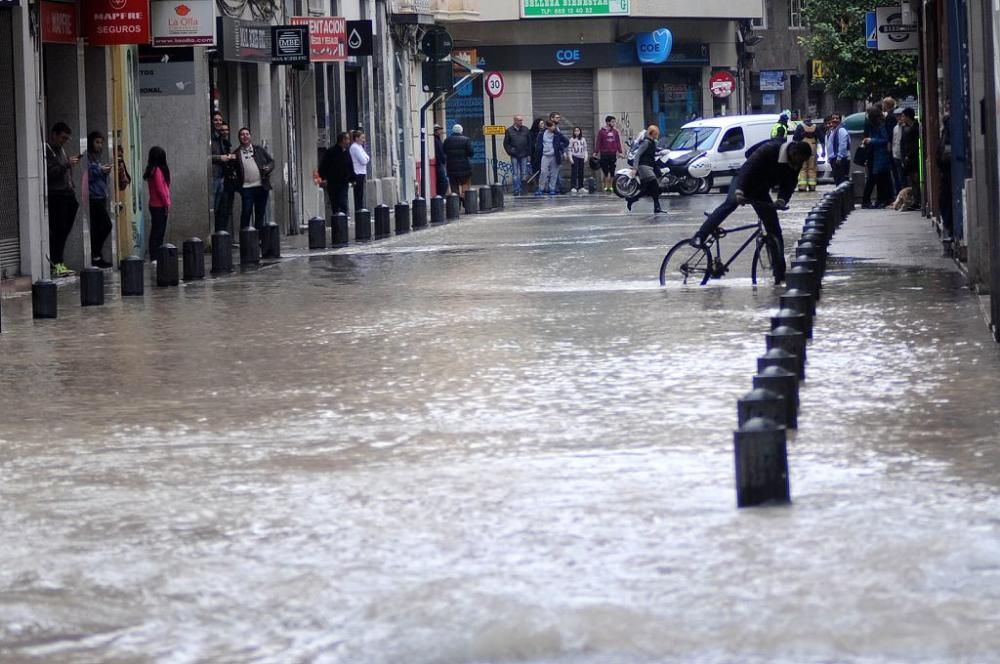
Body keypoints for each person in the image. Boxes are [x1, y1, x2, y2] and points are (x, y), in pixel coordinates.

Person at [692, 140, 813, 284]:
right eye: (800, 159)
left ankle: (780, 273)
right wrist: (739, 191)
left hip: (760, 190)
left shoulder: (796, 162)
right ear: (793, 153)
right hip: (743, 181)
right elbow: (748, 168)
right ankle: (700, 236)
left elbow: (789, 183)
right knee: (730, 204)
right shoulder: (769, 150)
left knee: (774, 228)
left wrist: (782, 200)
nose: (800, 163)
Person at [45, 122, 80, 277]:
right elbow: (50, 173)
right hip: (56, 196)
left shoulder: (62, 150)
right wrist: (66, 164)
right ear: (54, 134)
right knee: (59, 229)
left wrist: (71, 185)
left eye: (67, 138)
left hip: (67, 194)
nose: (64, 141)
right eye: (63, 137)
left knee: (64, 229)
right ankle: (56, 262)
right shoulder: (47, 149)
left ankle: (59, 261)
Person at [231, 127, 275, 228]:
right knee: (246, 212)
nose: (245, 136)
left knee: (260, 214)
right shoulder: (236, 153)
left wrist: (267, 168)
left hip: (261, 187)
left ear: (250, 136)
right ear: (239, 138)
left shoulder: (258, 149)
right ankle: (245, 238)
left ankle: (258, 238)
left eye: (247, 134)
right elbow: (232, 169)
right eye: (242, 134)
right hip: (246, 188)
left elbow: (271, 162)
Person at [85, 131, 114, 268]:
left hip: (100, 196)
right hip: (93, 198)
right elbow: (88, 174)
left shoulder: (96, 158)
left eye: (101, 142)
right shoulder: (87, 158)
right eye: (97, 142)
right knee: (106, 225)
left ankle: (97, 255)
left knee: (99, 228)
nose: (99, 145)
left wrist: (104, 172)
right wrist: (100, 170)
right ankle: (95, 254)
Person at [625, 125, 663, 213]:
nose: (657, 135)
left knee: (648, 189)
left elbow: (651, 153)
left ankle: (632, 199)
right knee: (655, 186)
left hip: (649, 166)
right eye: (656, 134)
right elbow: (637, 155)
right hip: (644, 167)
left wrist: (660, 152)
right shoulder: (646, 142)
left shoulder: (653, 142)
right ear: (652, 134)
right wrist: (635, 168)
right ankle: (656, 207)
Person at [142, 146, 171, 262]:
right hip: (159, 205)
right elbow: (160, 189)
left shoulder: (151, 170)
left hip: (154, 204)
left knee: (156, 230)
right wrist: (166, 203)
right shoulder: (158, 170)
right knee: (158, 231)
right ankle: (155, 256)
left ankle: (155, 254)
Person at [861, 105, 892, 209]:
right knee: (878, 179)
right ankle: (880, 200)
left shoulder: (880, 125)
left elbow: (885, 139)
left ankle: (878, 200)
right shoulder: (874, 125)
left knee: (875, 178)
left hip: (880, 155)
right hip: (875, 155)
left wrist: (871, 140)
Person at [318, 131, 353, 216]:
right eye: (347, 139)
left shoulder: (347, 152)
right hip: (333, 182)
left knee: (343, 203)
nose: (349, 141)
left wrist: (352, 178)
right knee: (335, 204)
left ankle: (343, 222)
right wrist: (322, 178)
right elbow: (323, 166)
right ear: (343, 140)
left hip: (344, 182)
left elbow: (350, 166)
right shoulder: (331, 152)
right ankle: (337, 223)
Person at [211, 120, 234, 233]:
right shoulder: (213, 141)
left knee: (224, 209)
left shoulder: (225, 143)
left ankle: (222, 234)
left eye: (226, 130)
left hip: (225, 179)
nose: (224, 132)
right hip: (216, 177)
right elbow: (208, 157)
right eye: (222, 130)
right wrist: (221, 158)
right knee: (215, 208)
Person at [535, 120, 568, 196]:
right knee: (543, 172)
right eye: (552, 126)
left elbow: (566, 142)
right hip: (545, 155)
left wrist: (561, 148)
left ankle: (552, 189)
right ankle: (541, 189)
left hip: (554, 155)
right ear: (547, 126)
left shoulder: (557, 134)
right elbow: (538, 144)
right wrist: (538, 150)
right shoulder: (542, 133)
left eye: (554, 126)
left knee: (554, 173)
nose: (553, 127)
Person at [443, 123, 474, 201]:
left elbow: (444, 151)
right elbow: (471, 153)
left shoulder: (447, 140)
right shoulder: (466, 140)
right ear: (461, 131)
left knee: (454, 185)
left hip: (451, 167)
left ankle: (456, 202)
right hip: (465, 167)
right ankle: (465, 200)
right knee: (465, 184)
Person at [503, 115, 532, 196]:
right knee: (515, 173)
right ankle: (516, 189)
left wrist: (528, 153)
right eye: (519, 120)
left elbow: (529, 142)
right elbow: (506, 143)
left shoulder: (525, 129)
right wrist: (510, 151)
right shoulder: (509, 130)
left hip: (524, 154)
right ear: (515, 121)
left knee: (524, 173)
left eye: (521, 120)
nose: (521, 122)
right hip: (514, 154)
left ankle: (524, 190)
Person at [899, 107, 921, 211]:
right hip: (907, 158)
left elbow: (915, 144)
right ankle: (915, 200)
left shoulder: (916, 128)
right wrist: (903, 157)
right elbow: (902, 143)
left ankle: (918, 200)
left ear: (908, 116)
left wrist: (908, 155)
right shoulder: (905, 128)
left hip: (914, 158)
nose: (902, 118)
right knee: (912, 180)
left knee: (916, 180)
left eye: (903, 116)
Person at [595, 115, 624, 193]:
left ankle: (610, 186)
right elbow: (598, 142)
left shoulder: (615, 132)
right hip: (604, 154)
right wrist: (596, 152)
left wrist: (620, 152)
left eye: (614, 122)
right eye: (612, 122)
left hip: (613, 153)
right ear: (608, 122)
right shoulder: (601, 131)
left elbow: (618, 142)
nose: (614, 123)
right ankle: (605, 186)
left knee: (612, 171)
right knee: (605, 171)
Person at [938, 113, 953, 240]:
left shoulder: (946, 134)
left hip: (947, 173)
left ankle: (950, 228)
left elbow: (943, 154)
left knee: (945, 201)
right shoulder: (946, 133)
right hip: (946, 173)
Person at [824, 113, 851, 185]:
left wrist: (839, 157)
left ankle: (843, 196)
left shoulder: (841, 130)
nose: (835, 120)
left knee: (841, 180)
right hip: (833, 159)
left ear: (840, 120)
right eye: (833, 118)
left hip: (839, 159)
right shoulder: (831, 131)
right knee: (837, 180)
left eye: (837, 118)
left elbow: (843, 145)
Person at [792, 119, 818, 191]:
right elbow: (821, 139)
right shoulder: (815, 127)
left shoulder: (800, 126)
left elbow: (795, 139)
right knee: (812, 168)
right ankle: (812, 186)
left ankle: (802, 187)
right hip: (813, 149)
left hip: (802, 150)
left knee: (802, 168)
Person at [349, 130, 370, 213]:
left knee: (360, 193)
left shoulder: (360, 147)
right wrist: (366, 159)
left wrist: (366, 159)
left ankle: (360, 210)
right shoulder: (354, 147)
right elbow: (364, 160)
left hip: (362, 172)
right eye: (362, 138)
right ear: (356, 138)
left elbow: (367, 157)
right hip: (357, 173)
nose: (363, 140)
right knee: (358, 193)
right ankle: (358, 211)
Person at [569, 126, 588, 193]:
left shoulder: (583, 139)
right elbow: (570, 149)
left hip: (581, 157)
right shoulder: (572, 139)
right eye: (575, 131)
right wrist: (570, 158)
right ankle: (573, 186)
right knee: (574, 172)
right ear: (573, 132)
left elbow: (585, 148)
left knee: (581, 172)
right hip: (575, 157)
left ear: (580, 132)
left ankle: (581, 187)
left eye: (578, 131)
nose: (576, 132)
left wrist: (586, 156)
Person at [529, 118, 546, 191]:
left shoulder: (545, 132)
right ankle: (537, 186)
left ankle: (543, 187)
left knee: (544, 171)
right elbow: (530, 144)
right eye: (541, 123)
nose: (543, 125)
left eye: (543, 123)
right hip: (535, 155)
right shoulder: (531, 133)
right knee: (536, 171)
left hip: (544, 154)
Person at [433, 124, 449, 197]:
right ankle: (441, 196)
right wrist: (441, 161)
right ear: (436, 131)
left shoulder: (438, 139)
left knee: (442, 181)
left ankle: (440, 196)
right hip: (439, 164)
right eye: (439, 130)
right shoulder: (435, 140)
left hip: (440, 163)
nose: (441, 131)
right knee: (443, 182)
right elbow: (438, 152)